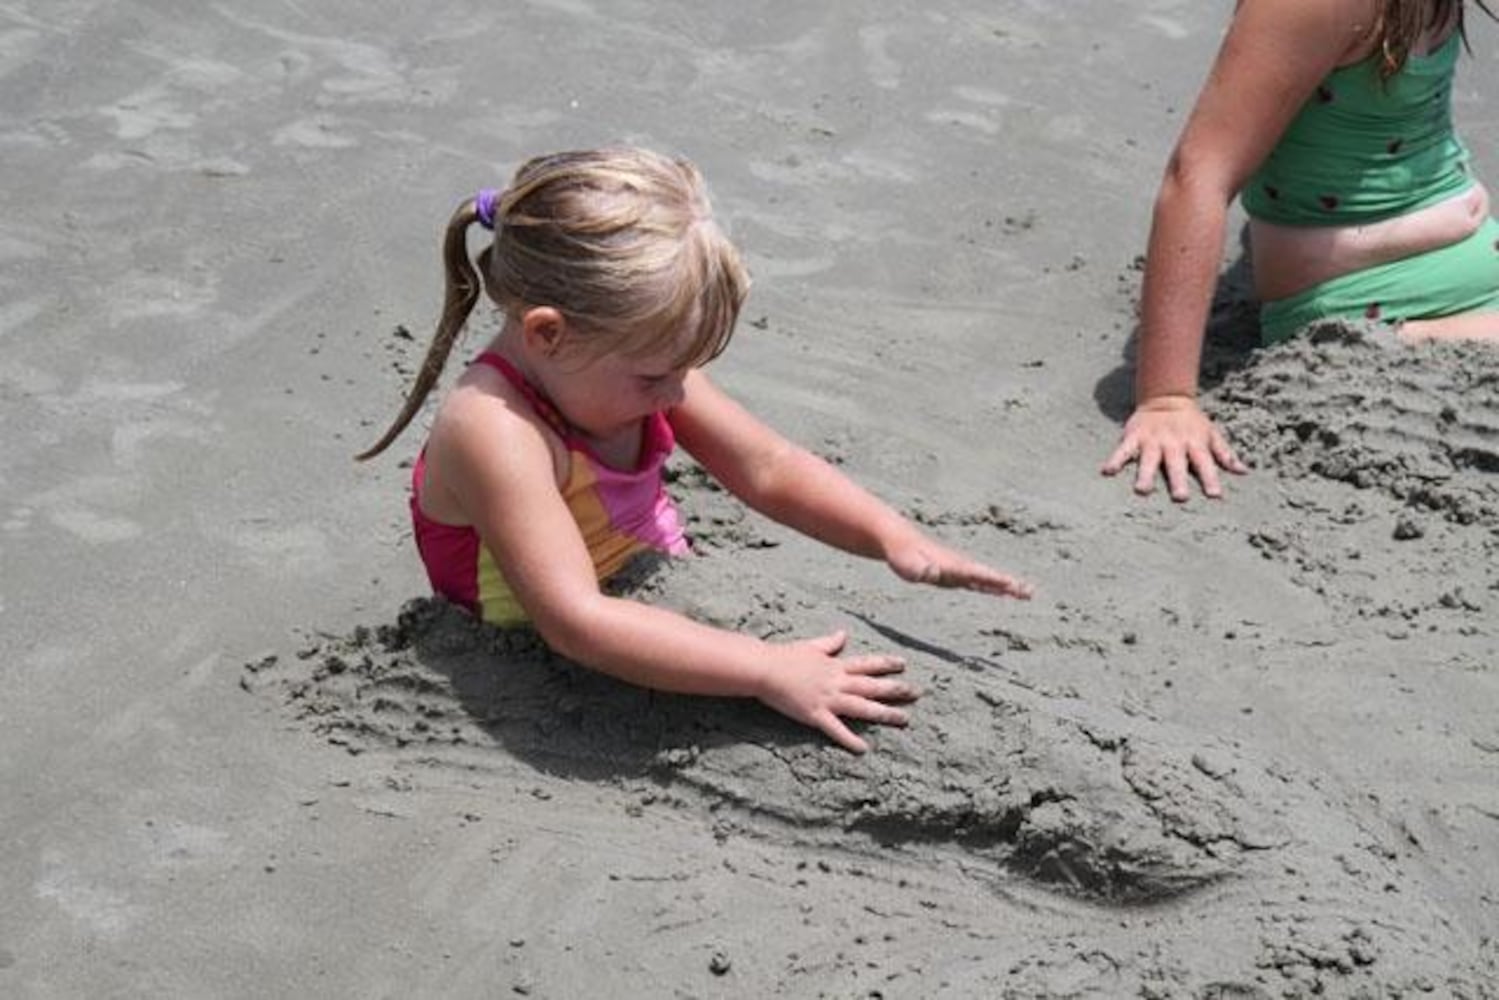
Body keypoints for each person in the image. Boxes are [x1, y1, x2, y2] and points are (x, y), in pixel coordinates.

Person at [357, 147, 1033, 753]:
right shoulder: (494, 429)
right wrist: (766, 669)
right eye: (657, 375)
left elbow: (767, 468)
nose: (677, 393)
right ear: (547, 335)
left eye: (685, 368)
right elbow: (573, 621)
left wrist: (891, 536)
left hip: (654, 584)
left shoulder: (629, 363)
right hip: (543, 646)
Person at [1102, 0, 1499, 501]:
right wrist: (1167, 399)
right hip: (1377, 302)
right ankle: (1414, 337)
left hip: (1443, 258)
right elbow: (1198, 175)